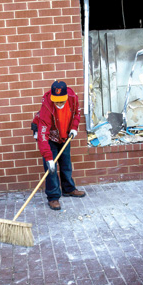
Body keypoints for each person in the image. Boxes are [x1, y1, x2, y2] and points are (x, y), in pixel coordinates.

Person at [34, 80, 85, 211]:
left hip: (64, 135)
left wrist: (74, 128)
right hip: (50, 137)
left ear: (66, 96)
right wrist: (48, 158)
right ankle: (53, 197)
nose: (59, 104)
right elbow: (43, 135)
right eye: (56, 101)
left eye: (61, 101)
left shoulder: (73, 98)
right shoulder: (47, 106)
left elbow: (77, 114)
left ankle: (68, 189)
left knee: (66, 163)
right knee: (51, 168)